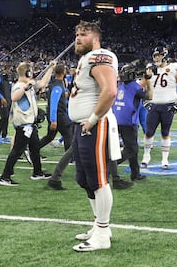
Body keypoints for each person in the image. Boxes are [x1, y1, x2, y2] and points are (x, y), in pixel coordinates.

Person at [68, 20, 119, 252]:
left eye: (83, 34)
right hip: (83, 125)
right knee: (84, 179)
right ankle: (100, 227)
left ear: (95, 38)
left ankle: (102, 235)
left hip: (95, 125)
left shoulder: (100, 56)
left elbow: (110, 90)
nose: (78, 38)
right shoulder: (85, 58)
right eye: (77, 34)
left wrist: (93, 119)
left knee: (98, 180)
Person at [0, 60, 56, 186]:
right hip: (24, 125)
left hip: (30, 124)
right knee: (17, 151)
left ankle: (37, 172)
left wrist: (51, 68)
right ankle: (4, 177)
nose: (33, 73)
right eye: (31, 71)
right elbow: (14, 97)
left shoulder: (28, 84)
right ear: (28, 72)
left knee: (35, 149)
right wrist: (25, 87)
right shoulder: (19, 85)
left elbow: (43, 83)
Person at [142, 46, 177, 169]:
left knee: (165, 133)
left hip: (168, 105)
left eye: (159, 55)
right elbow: (142, 85)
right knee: (149, 132)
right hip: (154, 105)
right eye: (155, 55)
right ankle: (146, 157)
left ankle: (165, 160)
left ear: (165, 56)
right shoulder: (150, 68)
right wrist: (144, 99)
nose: (157, 57)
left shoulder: (173, 68)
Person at [113, 62, 153, 181]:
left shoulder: (119, 85)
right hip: (128, 122)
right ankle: (110, 167)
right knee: (131, 149)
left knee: (131, 148)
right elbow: (150, 96)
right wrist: (149, 80)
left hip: (117, 119)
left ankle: (135, 174)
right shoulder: (135, 87)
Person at [39, 63, 73, 154]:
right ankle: (70, 157)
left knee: (49, 137)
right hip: (58, 115)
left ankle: (34, 148)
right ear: (63, 72)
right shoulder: (57, 86)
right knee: (68, 134)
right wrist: (53, 120)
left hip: (56, 114)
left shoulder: (56, 83)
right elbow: (54, 103)